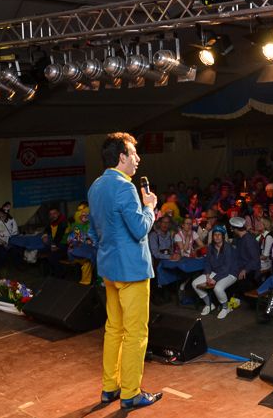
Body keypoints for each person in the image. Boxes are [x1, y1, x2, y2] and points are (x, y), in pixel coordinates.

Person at [87, 132, 162, 410]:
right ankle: (131, 393)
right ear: (122, 157)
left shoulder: (95, 186)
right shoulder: (125, 187)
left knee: (113, 329)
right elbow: (140, 229)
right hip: (132, 271)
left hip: (109, 269)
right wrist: (150, 208)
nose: (138, 158)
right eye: (133, 153)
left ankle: (110, 388)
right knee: (135, 333)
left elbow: (94, 233)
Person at [191, 224, 237, 320]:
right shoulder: (210, 247)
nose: (217, 236)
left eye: (219, 234)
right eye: (215, 234)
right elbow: (207, 262)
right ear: (212, 236)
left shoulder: (228, 248)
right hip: (215, 272)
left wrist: (214, 279)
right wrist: (207, 274)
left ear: (223, 236)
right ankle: (209, 304)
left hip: (230, 273)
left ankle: (226, 308)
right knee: (195, 283)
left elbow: (226, 268)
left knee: (218, 288)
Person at [229, 216, 262, 303]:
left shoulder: (248, 240)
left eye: (232, 229)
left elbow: (255, 260)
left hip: (251, 271)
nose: (231, 230)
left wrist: (245, 270)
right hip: (241, 268)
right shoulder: (239, 239)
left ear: (236, 229)